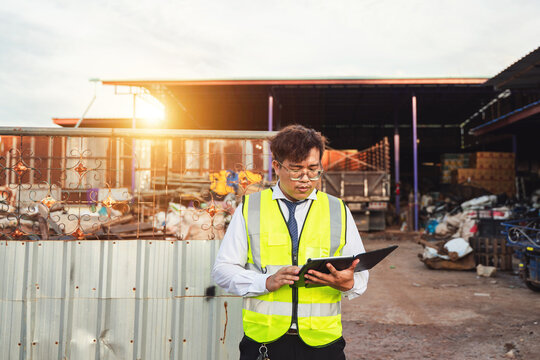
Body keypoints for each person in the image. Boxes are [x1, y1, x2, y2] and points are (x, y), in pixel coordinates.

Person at [212, 125, 369, 360]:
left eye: (313, 169)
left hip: (323, 343)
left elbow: (360, 273)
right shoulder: (250, 208)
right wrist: (265, 281)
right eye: (296, 170)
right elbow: (223, 270)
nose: (306, 179)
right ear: (277, 167)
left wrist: (349, 283)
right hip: (265, 342)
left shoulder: (338, 210)